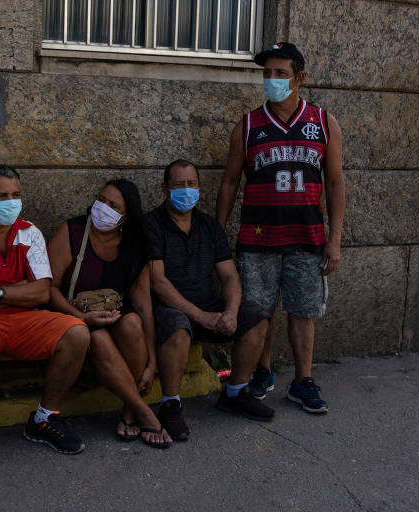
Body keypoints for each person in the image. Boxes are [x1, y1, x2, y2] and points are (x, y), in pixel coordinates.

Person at [216, 42, 345, 414]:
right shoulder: (249, 124)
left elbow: (335, 184)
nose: (271, 79)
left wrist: (334, 240)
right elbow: (229, 182)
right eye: (266, 73)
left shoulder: (323, 122)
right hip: (258, 240)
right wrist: (216, 235)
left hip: (308, 238)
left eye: (279, 73)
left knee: (304, 312)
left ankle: (303, 381)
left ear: (299, 78)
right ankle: (263, 371)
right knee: (260, 312)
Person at [0, 164, 91, 471]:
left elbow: (43, 294)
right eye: (2, 195)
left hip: (27, 321)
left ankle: (44, 418)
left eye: (16, 194)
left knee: (77, 332)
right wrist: (22, 289)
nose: (10, 201)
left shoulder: (30, 232)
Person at [147, 159, 275, 438]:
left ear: (199, 187)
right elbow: (158, 283)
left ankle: (236, 392)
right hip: (166, 308)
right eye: (178, 185)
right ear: (164, 188)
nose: (186, 190)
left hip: (208, 305)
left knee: (256, 317)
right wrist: (201, 316)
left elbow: (229, 276)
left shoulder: (209, 226)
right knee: (178, 325)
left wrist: (230, 311)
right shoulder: (151, 225)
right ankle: (170, 404)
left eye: (191, 184)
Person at [47, 179, 172, 449]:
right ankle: (143, 412)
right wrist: (80, 317)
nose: (103, 208)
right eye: (101, 200)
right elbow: (50, 287)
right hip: (73, 314)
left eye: (113, 205)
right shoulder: (73, 231)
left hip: (114, 313)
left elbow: (142, 305)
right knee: (100, 339)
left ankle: (129, 411)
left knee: (132, 323)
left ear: (126, 216)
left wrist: (152, 362)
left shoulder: (134, 245)